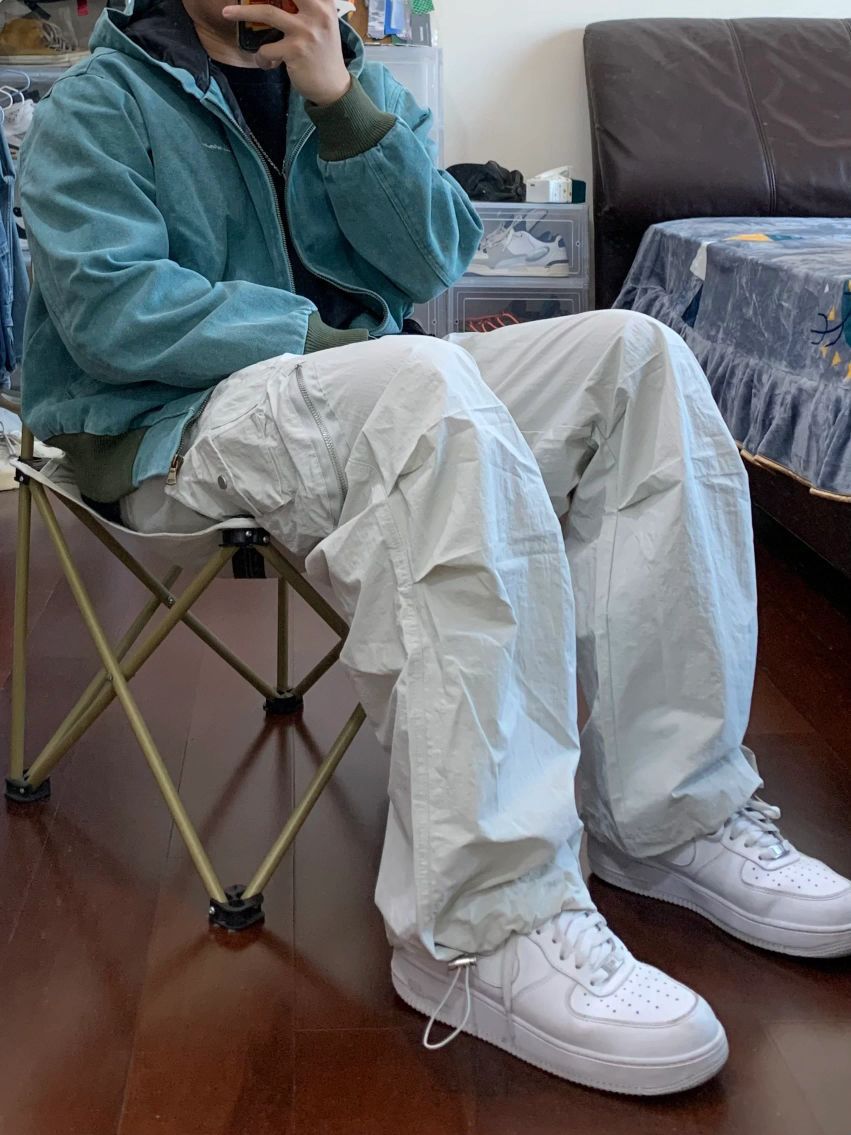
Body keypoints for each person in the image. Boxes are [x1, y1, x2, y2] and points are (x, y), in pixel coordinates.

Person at [19, 0, 851, 1097]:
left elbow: (435, 256)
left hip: (374, 392)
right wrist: (326, 341)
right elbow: (113, 310)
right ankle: (481, 926)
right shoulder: (100, 101)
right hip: (175, 423)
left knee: (638, 354)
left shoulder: (348, 76)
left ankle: (668, 813)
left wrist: (341, 106)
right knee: (423, 384)